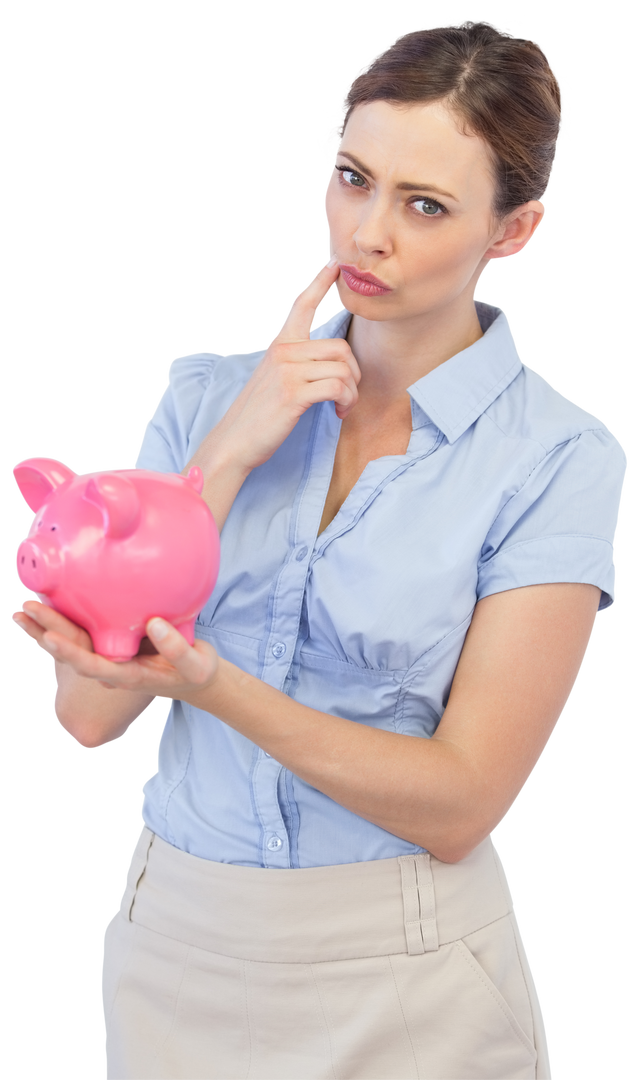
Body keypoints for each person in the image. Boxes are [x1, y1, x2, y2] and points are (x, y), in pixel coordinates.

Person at [10, 17, 628, 1080]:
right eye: (353, 176)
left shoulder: (557, 456)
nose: (367, 234)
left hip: (407, 971)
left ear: (513, 231)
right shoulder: (206, 394)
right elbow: (91, 716)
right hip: (177, 943)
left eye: (425, 205)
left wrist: (209, 685)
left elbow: (461, 802)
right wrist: (228, 459)